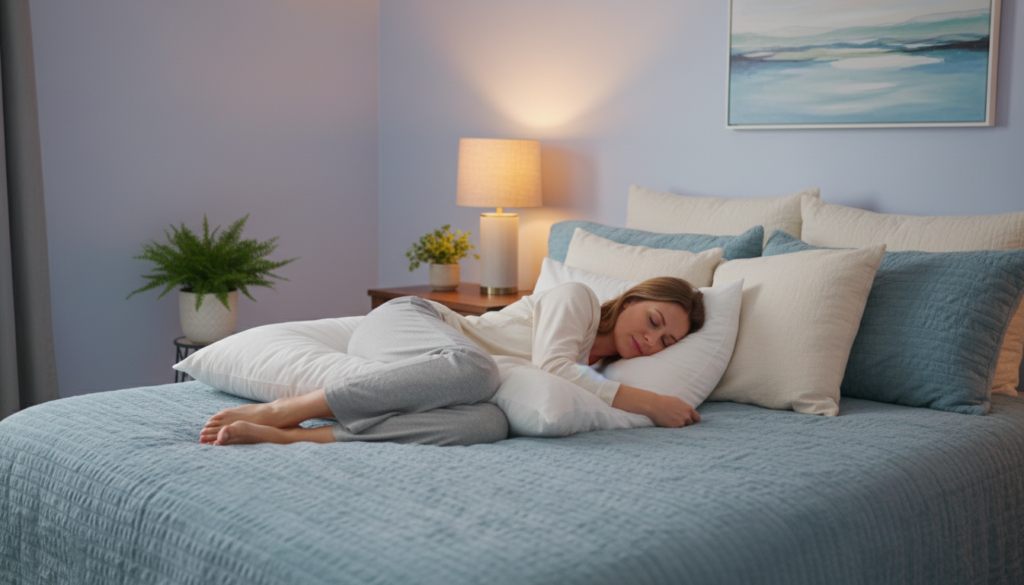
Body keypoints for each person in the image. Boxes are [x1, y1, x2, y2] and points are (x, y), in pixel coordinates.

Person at [200, 277, 706, 447]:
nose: (653, 338)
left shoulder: (599, 371)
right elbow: (553, 368)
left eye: (668, 341)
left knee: (487, 422)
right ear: (636, 297)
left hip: (444, 379)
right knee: (477, 368)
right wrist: (652, 403)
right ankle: (288, 409)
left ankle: (294, 438)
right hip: (409, 323)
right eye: (656, 319)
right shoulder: (577, 299)